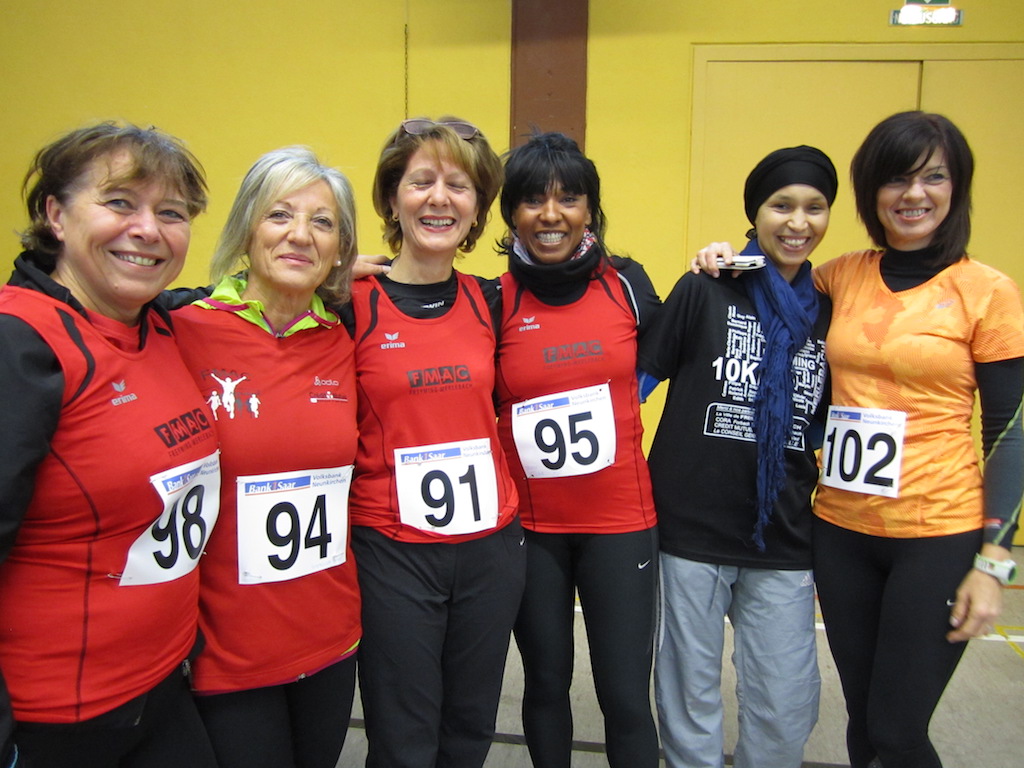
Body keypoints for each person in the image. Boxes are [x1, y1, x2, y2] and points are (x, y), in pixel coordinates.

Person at [697, 112, 1024, 768]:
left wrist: (995, 562)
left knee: (898, 731)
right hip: (842, 532)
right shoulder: (841, 275)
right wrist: (723, 255)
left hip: (936, 534)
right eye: (896, 179)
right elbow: (772, 273)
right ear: (873, 192)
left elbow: (1010, 433)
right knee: (865, 725)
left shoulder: (986, 291)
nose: (914, 194)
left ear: (957, 188)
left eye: (934, 178)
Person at [0, 122, 219, 768]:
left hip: (163, 692)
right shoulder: (20, 344)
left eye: (171, 213)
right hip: (58, 723)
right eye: (120, 203)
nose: (147, 229)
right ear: (55, 215)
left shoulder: (160, 324)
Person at [643, 146, 836, 768]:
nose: (798, 222)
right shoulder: (705, 288)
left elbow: (825, 422)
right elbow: (633, 387)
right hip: (690, 530)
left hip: (783, 531)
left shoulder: (830, 311)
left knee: (786, 703)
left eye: (815, 207)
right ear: (756, 213)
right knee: (689, 694)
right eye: (782, 205)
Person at [171, 147, 361, 768]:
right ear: (247, 228)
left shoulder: (344, 339)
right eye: (280, 214)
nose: (300, 235)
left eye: (322, 222)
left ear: (341, 249)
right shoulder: (180, 331)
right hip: (227, 653)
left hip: (331, 639)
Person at [345, 117, 526, 768]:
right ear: (392, 198)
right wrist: (318, 271)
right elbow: (231, 303)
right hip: (393, 551)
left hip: (490, 549)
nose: (439, 199)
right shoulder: (346, 302)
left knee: (470, 728)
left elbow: (585, 275)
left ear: (477, 208)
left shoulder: (492, 301)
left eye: (459, 185)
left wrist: (714, 261)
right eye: (421, 181)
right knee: (403, 736)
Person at [493, 132, 660, 768]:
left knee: (626, 698)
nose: (551, 214)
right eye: (533, 199)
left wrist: (728, 259)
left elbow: (687, 340)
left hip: (621, 525)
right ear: (511, 213)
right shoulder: (493, 300)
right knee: (544, 685)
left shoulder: (627, 285)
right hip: (533, 532)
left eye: (568, 198)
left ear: (590, 209)